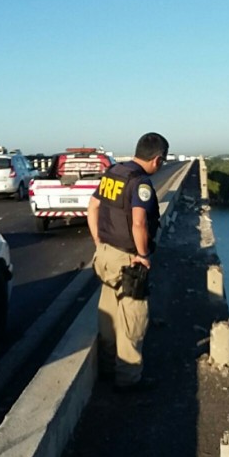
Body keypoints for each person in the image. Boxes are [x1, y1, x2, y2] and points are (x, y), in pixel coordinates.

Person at [87, 132, 169, 390]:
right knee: (133, 319)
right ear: (157, 159)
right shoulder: (140, 183)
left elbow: (92, 207)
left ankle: (108, 368)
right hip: (128, 260)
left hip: (106, 255)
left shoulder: (113, 172)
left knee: (109, 313)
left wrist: (99, 242)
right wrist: (143, 255)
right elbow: (138, 222)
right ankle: (128, 380)